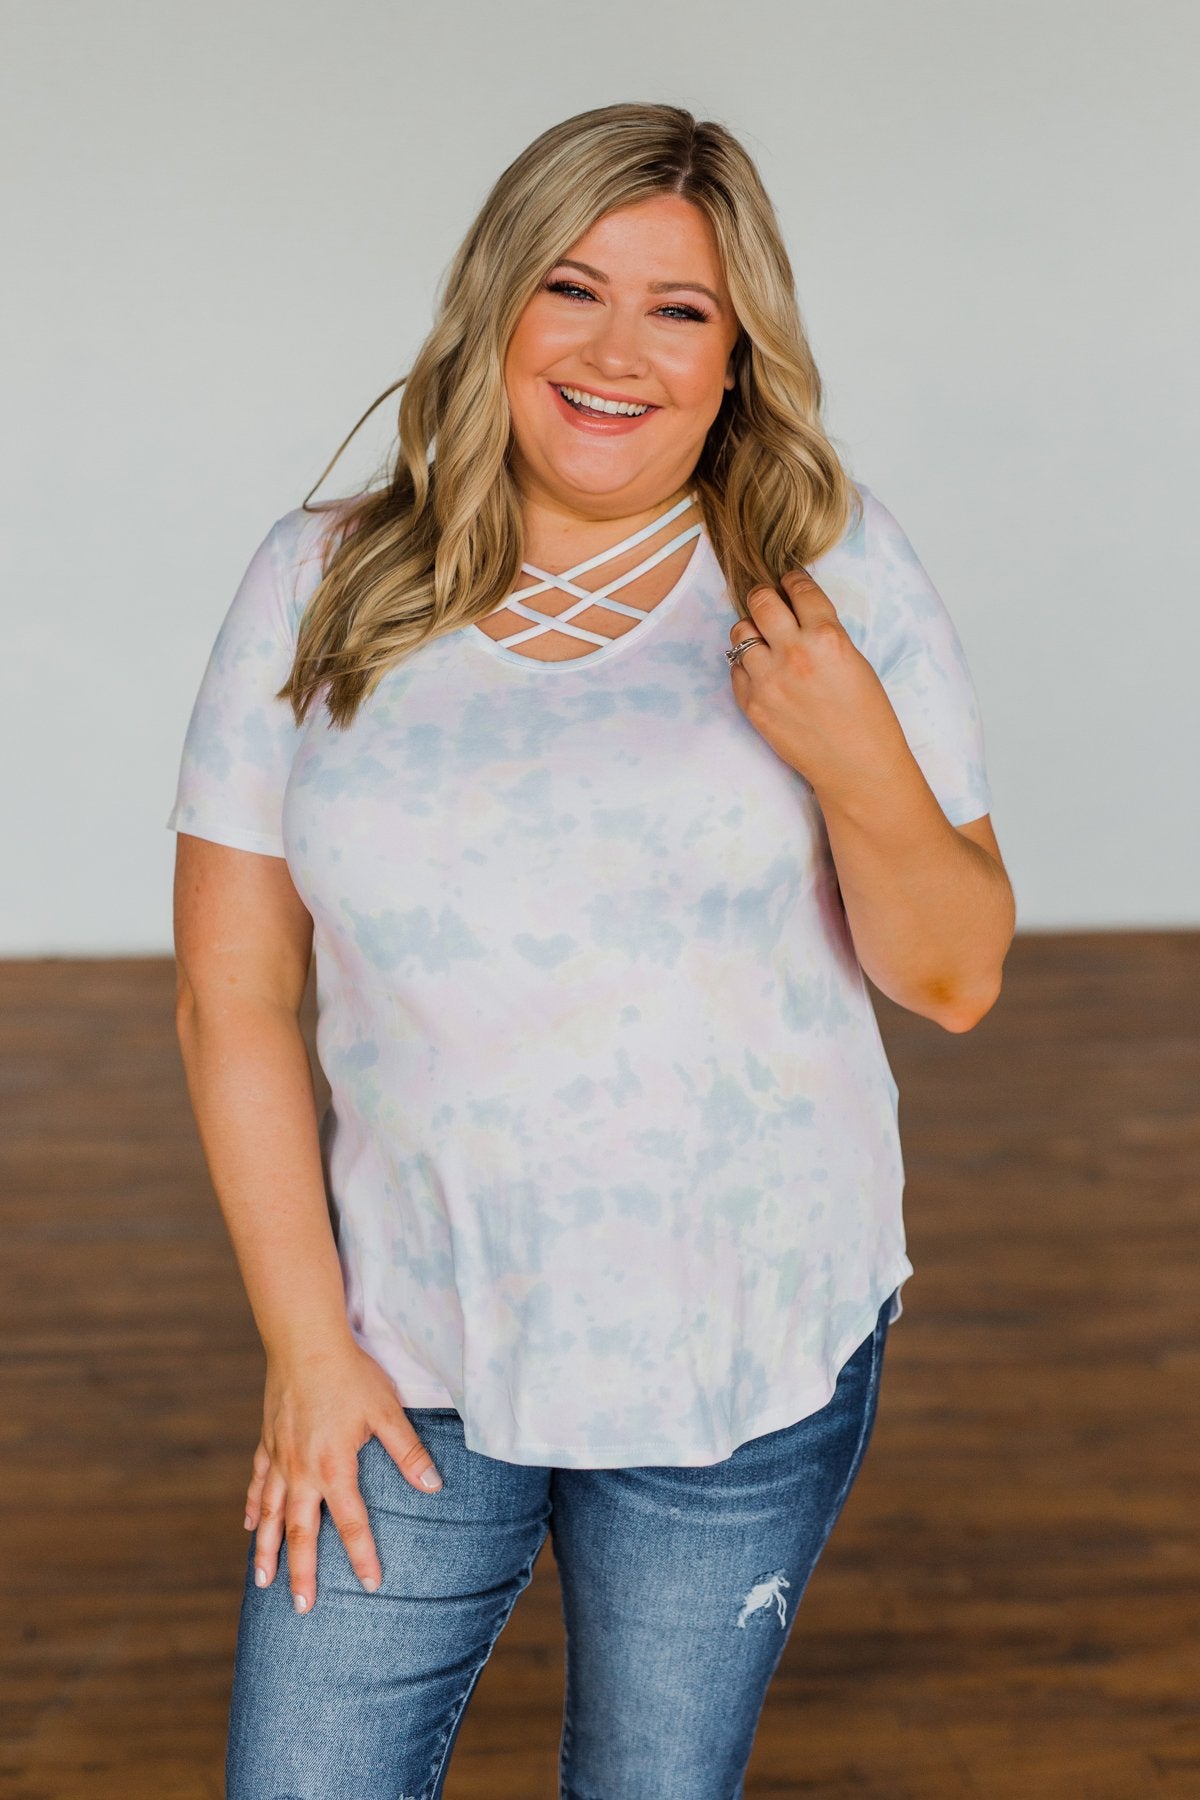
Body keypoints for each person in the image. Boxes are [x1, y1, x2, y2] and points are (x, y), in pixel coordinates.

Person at [168, 100, 1015, 1800]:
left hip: (740, 1352)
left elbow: (953, 978)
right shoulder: (318, 581)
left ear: (735, 356)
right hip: (404, 1337)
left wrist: (853, 743)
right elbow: (233, 993)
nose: (616, 351)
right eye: (572, 287)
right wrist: (307, 1346)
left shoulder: (823, 572)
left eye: (678, 308)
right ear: (496, 305)